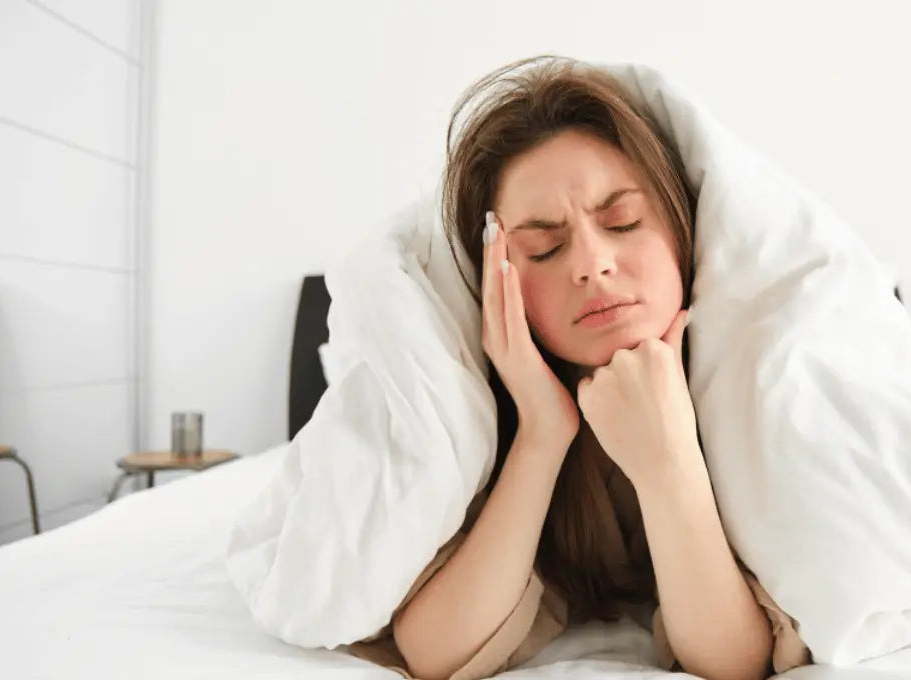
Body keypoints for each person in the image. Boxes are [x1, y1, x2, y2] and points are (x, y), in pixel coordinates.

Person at [346, 55, 810, 680]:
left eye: (622, 221)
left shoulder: (753, 372)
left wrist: (667, 456)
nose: (592, 263)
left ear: (679, 225)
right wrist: (542, 430)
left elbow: (732, 664)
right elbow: (436, 653)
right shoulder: (476, 410)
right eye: (545, 247)